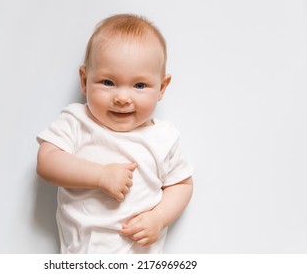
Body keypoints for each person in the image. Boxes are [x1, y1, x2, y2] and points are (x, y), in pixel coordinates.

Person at [36, 14, 193, 254]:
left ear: (161, 87)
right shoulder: (77, 121)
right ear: (85, 80)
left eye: (139, 85)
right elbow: (47, 162)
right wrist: (99, 175)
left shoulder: (162, 137)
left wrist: (159, 218)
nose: (122, 98)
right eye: (108, 82)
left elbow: (181, 184)